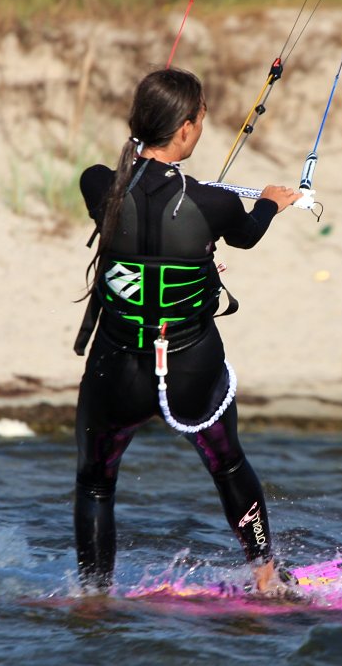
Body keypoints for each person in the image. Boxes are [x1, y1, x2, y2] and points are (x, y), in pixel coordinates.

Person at [72, 67, 301, 594]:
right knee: (228, 466)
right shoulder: (214, 202)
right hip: (191, 372)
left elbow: (110, 179)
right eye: (199, 118)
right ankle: (266, 579)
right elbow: (245, 236)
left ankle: (92, 599)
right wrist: (270, 201)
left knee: (96, 483)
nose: (201, 125)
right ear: (184, 131)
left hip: (116, 371)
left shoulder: (98, 186)